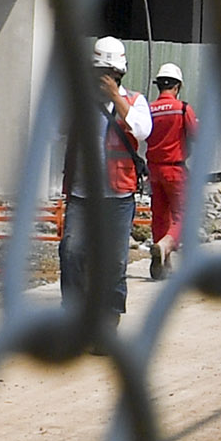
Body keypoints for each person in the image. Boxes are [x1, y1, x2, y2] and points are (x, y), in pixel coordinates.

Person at [58, 37, 147, 323]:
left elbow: (142, 130)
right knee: (71, 253)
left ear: (120, 75)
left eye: (111, 76)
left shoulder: (135, 101)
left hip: (118, 197)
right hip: (82, 196)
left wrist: (116, 98)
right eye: (100, 75)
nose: (104, 81)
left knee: (115, 262)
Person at [143, 63, 197, 277]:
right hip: (175, 170)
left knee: (160, 216)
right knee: (183, 213)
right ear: (177, 87)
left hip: (153, 171)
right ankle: (165, 247)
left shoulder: (148, 109)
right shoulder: (183, 108)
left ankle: (163, 266)